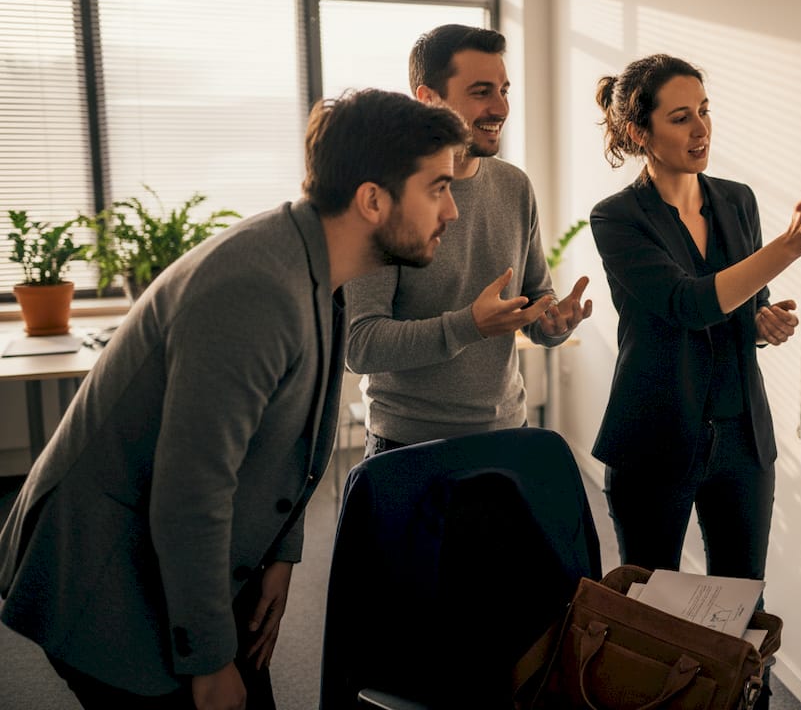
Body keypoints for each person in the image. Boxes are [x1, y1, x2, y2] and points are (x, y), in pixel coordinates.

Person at [0, 89, 466, 709]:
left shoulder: (318, 263)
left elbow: (298, 430)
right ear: (373, 200)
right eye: (437, 186)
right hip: (106, 572)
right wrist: (210, 660)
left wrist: (280, 553)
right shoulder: (255, 287)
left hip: (184, 557)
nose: (453, 210)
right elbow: (190, 490)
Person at [589, 54, 801, 707]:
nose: (700, 128)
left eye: (704, 111)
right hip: (654, 440)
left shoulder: (737, 200)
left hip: (740, 441)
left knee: (740, 615)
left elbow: (736, 310)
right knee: (654, 625)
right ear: (640, 133)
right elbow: (688, 304)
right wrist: (788, 245)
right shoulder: (617, 218)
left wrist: (764, 323)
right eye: (680, 117)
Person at [344, 24, 592, 454]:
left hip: (509, 434)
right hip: (408, 445)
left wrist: (549, 322)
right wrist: (469, 326)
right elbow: (360, 345)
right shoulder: (384, 196)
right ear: (427, 99)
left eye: (504, 90)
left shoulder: (515, 186)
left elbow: (535, 298)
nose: (501, 107)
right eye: (481, 92)